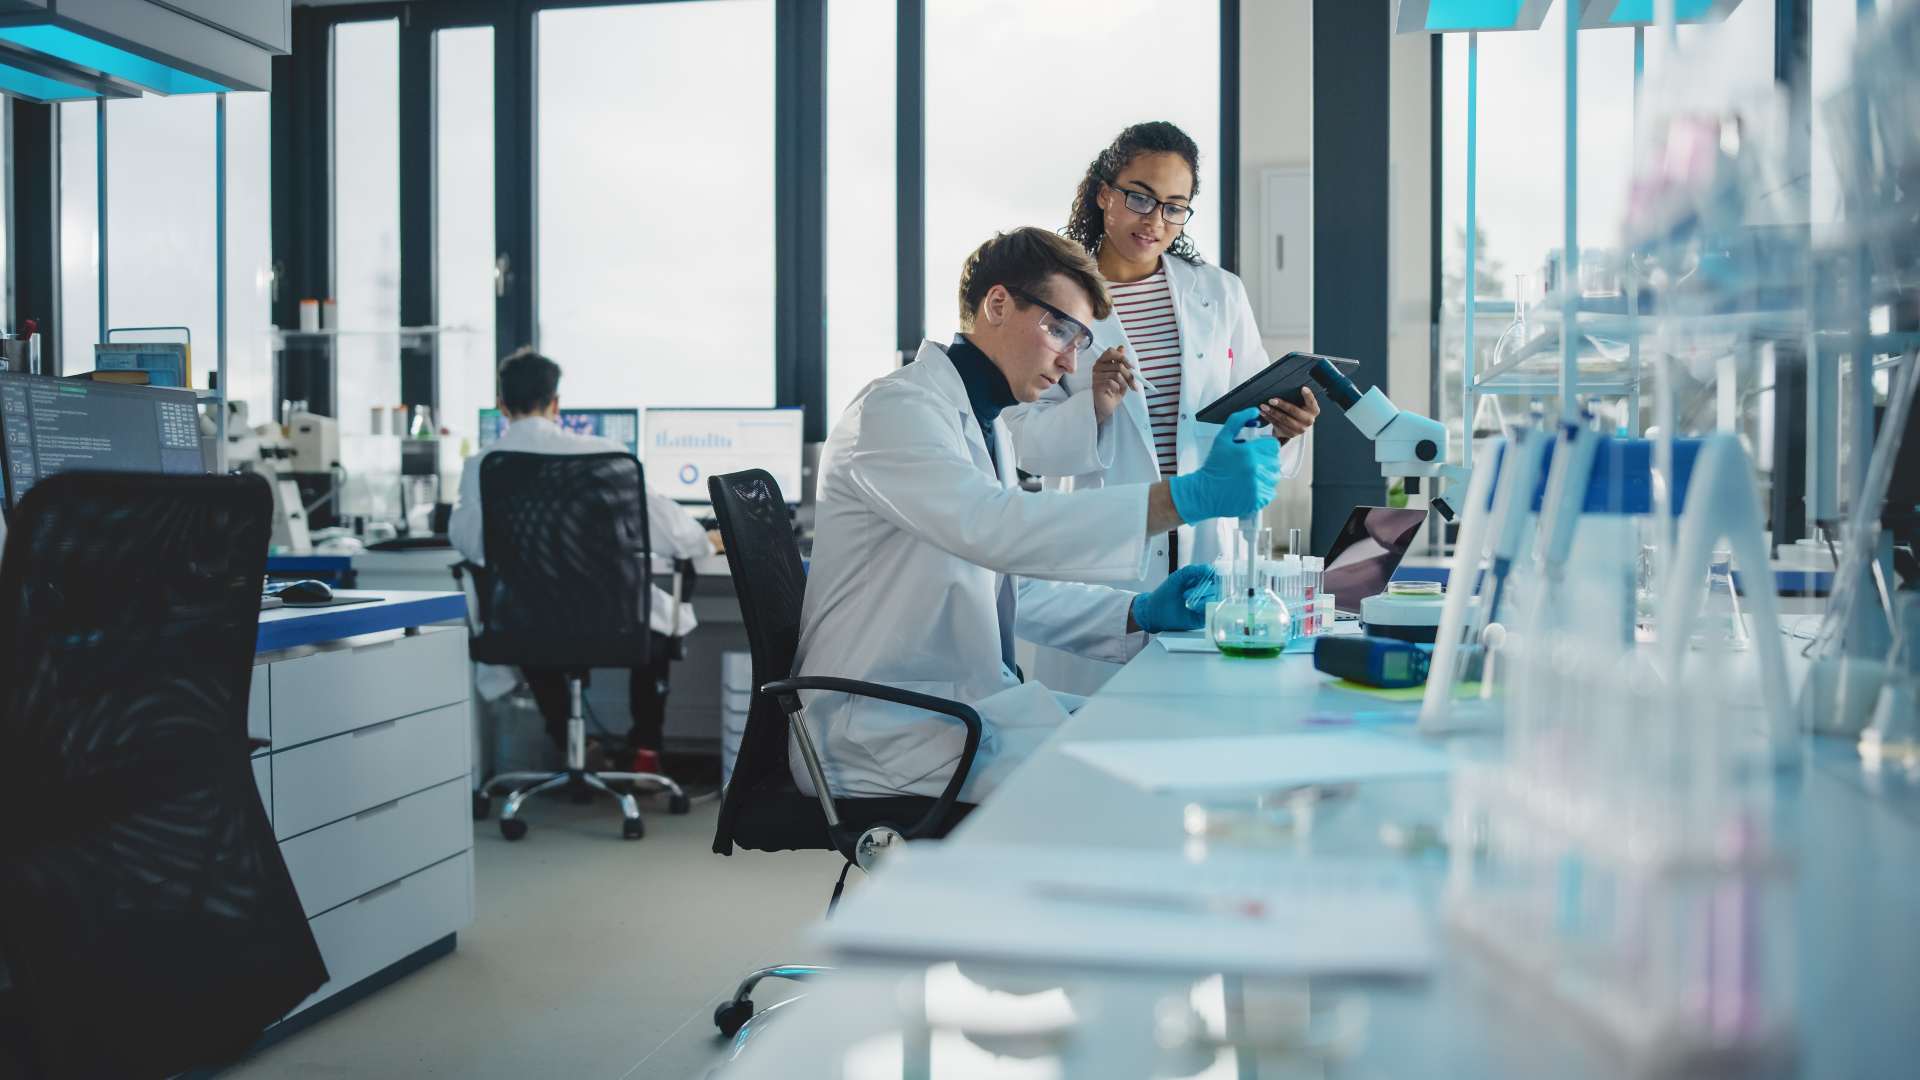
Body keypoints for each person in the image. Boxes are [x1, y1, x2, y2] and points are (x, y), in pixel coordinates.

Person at [792, 227, 1282, 803]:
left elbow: (1011, 587)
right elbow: (996, 529)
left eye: (1082, 341)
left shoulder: (982, 420)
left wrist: (1140, 611)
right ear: (997, 304)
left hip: (960, 711)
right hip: (879, 729)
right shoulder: (894, 409)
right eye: (1061, 330)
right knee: (1137, 791)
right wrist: (1185, 497)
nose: (1072, 360)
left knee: (1163, 742)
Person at [1003, 121, 1323, 695]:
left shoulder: (1218, 292)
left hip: (1205, 546)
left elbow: (1249, 417)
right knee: (1092, 734)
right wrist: (1095, 407)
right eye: (1140, 197)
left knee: (1203, 723)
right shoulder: (1053, 297)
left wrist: (1284, 429)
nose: (1155, 221)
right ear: (1105, 193)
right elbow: (1020, 440)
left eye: (1175, 207)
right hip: (1101, 553)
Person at [449, 347, 718, 765]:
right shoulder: (604, 455)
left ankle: (568, 743)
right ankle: (645, 750)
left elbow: (469, 543)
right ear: (556, 402)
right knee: (649, 620)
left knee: (531, 616)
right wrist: (710, 539)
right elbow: (676, 536)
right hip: (615, 622)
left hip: (524, 625)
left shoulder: (483, 465)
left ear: (501, 405)